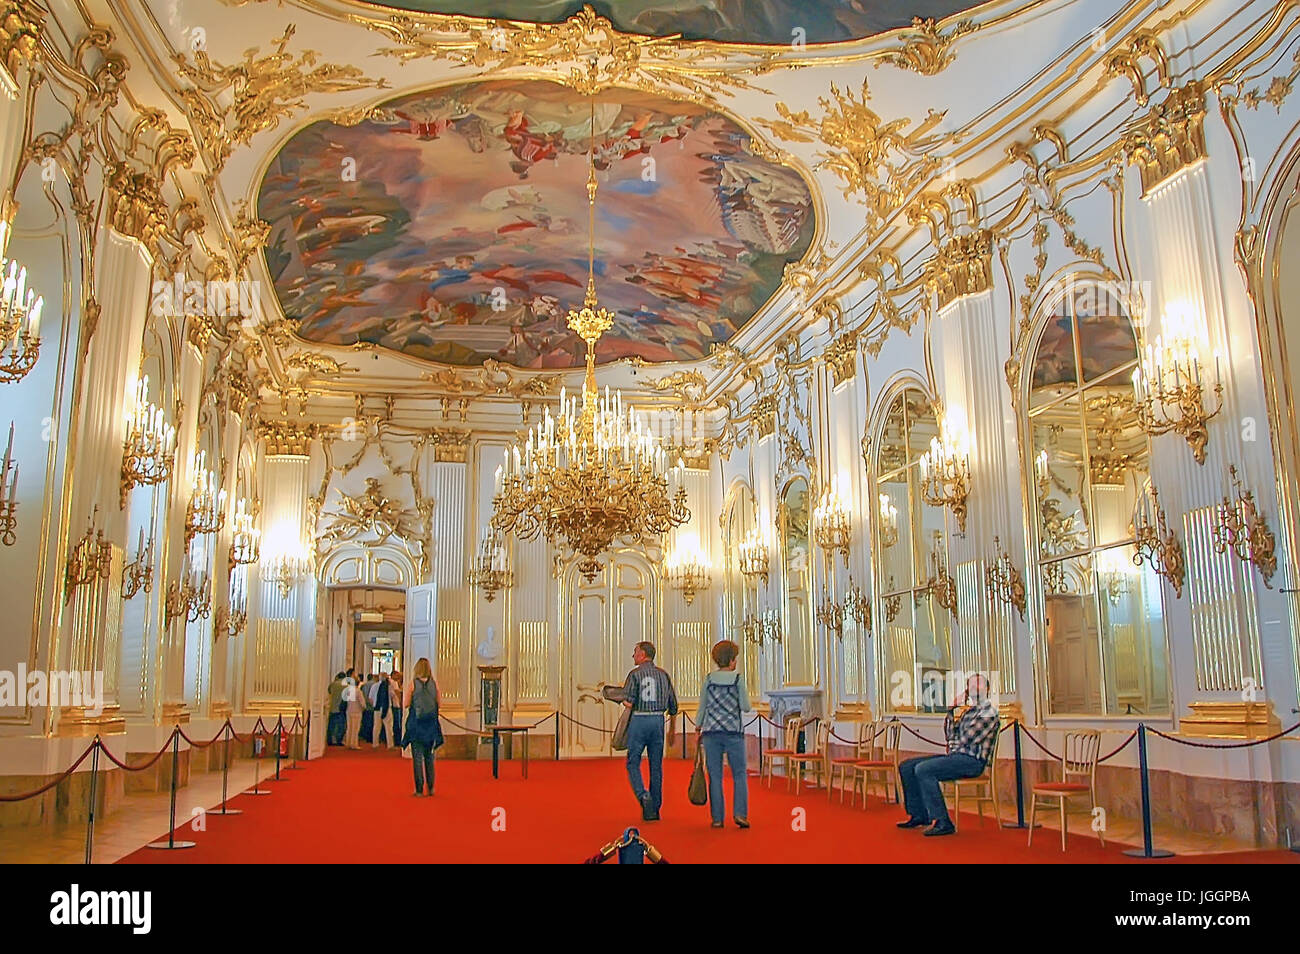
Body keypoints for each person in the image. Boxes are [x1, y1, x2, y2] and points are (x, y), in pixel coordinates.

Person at [896, 673, 1000, 836]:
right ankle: (919, 814)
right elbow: (951, 735)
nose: (974, 688)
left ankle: (943, 821)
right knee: (907, 766)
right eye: (971, 685)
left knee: (924, 769)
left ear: (987, 689)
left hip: (972, 761)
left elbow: (966, 739)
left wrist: (955, 743)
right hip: (956, 757)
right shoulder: (968, 713)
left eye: (978, 684)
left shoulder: (989, 712)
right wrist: (951, 710)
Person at [695, 640, 751, 829]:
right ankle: (740, 814)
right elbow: (745, 706)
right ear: (732, 660)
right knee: (739, 774)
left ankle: (717, 818)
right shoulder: (738, 680)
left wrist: (697, 728)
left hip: (711, 732)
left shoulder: (709, 680)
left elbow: (702, 707)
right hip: (734, 731)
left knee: (715, 776)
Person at [620, 641, 678, 821]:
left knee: (633, 762)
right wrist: (672, 730)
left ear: (643, 654)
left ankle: (643, 795)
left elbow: (629, 701)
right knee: (656, 766)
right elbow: (673, 705)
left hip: (639, 719)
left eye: (635, 652)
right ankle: (655, 808)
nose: (633, 655)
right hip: (658, 720)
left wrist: (620, 696)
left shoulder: (635, 674)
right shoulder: (663, 675)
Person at [403, 657, 443, 795]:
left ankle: (419, 789)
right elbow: (439, 703)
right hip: (431, 725)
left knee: (417, 758)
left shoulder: (413, 684)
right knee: (430, 757)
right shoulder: (434, 684)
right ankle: (431, 788)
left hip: (417, 725)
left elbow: (406, 703)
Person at [343, 676, 369, 750]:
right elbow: (362, 703)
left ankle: (348, 742)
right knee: (355, 728)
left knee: (349, 727)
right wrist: (364, 708)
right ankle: (354, 744)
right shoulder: (358, 691)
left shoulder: (348, 691)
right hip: (357, 711)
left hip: (349, 710)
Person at [372, 673, 394, 749]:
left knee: (376, 726)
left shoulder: (374, 686)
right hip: (386, 707)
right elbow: (392, 695)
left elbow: (370, 698)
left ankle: (375, 743)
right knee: (388, 727)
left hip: (377, 708)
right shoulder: (389, 686)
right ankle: (390, 744)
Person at [326, 672, 346, 746]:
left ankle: (330, 740)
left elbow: (329, 691)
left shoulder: (333, 684)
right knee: (340, 725)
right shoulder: (346, 686)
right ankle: (338, 740)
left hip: (332, 706)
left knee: (331, 725)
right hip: (341, 708)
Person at [389, 670, 404, 747]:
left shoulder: (390, 683)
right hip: (396, 705)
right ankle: (397, 741)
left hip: (393, 705)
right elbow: (397, 693)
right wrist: (402, 702)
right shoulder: (394, 683)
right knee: (397, 724)